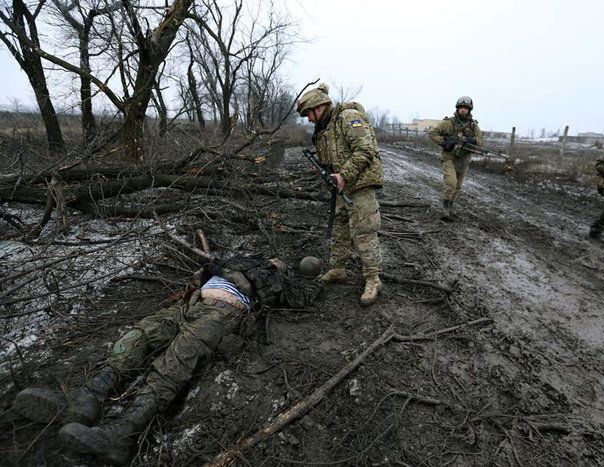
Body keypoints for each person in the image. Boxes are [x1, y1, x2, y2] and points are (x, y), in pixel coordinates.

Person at [12, 255, 319, 464]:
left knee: (174, 363)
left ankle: (123, 433)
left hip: (222, 314)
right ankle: (83, 402)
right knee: (136, 338)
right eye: (274, 258)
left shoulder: (279, 281)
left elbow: (302, 299)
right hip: (188, 305)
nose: (275, 260)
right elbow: (205, 269)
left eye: (281, 262)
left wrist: (316, 276)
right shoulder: (241, 260)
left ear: (285, 268)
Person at [296, 83, 384, 306]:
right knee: (340, 228)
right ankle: (338, 269)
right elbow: (332, 158)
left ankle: (373, 279)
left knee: (364, 231)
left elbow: (366, 150)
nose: (308, 119)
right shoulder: (324, 128)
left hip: (360, 184)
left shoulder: (348, 117)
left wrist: (343, 175)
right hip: (343, 187)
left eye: (309, 113)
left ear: (320, 106)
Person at [428, 96, 484, 220]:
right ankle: (445, 209)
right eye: (461, 108)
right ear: (457, 108)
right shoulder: (449, 123)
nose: (463, 110)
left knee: (457, 186)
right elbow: (432, 132)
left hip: (464, 158)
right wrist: (443, 142)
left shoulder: (474, 126)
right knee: (451, 182)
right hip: (449, 157)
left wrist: (473, 140)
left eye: (466, 108)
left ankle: (450, 206)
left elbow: (480, 140)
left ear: (470, 110)